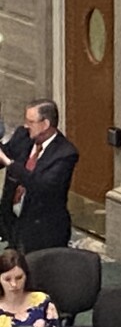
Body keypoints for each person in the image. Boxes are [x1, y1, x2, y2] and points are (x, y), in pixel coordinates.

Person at [0, 99, 79, 253]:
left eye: (30, 121)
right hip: (14, 222)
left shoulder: (65, 153)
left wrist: (10, 163)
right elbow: (6, 154)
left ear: (45, 124)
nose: (25, 125)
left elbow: (40, 186)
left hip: (43, 230)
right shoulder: (23, 135)